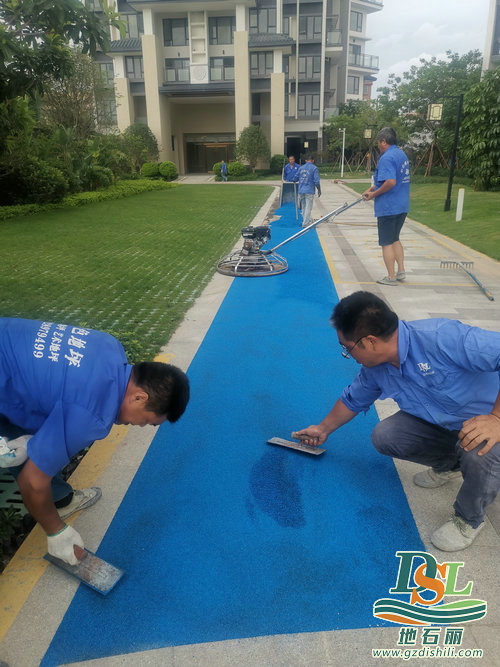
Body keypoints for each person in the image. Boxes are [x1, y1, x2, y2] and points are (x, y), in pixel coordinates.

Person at [294, 291, 500, 551]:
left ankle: (469, 519)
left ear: (369, 341)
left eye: (347, 348)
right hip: (449, 426)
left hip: (491, 425)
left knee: (483, 448)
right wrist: (322, 429)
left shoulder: (442, 337)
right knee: (386, 435)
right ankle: (452, 465)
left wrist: (496, 419)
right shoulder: (375, 368)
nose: (348, 355)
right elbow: (353, 399)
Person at [0, 317, 190, 565]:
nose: (141, 426)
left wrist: (31, 442)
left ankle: (59, 499)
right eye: (149, 422)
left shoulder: (109, 346)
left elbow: (55, 386)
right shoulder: (94, 414)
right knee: (35, 478)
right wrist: (57, 532)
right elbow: (32, 482)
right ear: (140, 398)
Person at [363, 128, 410, 286]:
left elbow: (390, 182)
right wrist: (371, 189)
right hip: (402, 205)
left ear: (384, 141)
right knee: (395, 238)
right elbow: (385, 180)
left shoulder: (386, 157)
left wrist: (373, 195)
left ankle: (391, 277)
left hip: (389, 207)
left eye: (378, 143)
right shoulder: (401, 155)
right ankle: (401, 271)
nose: (378, 146)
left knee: (386, 243)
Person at [298, 154, 321, 227]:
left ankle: (305, 220)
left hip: (301, 190)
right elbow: (317, 181)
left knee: (304, 206)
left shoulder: (301, 168)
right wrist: (319, 189)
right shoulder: (314, 168)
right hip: (309, 190)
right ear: (313, 161)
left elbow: (295, 177)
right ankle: (305, 223)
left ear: (306, 161)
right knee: (308, 207)